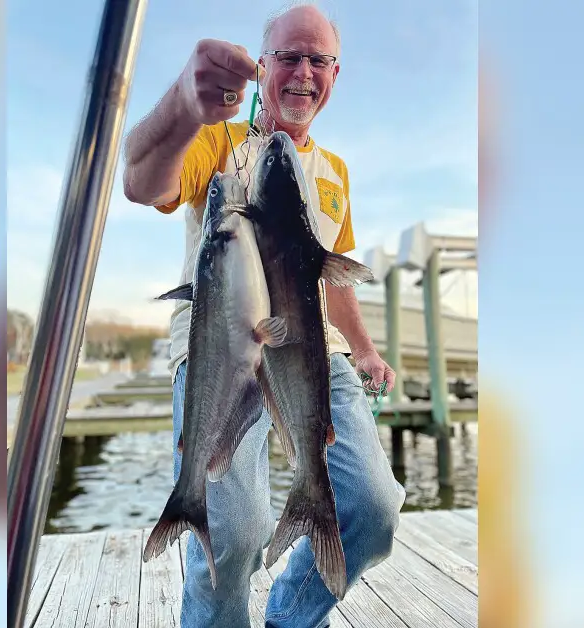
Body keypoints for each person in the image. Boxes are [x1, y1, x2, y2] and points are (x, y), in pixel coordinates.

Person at [122, 3, 404, 627]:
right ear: (263, 65)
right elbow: (141, 182)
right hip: (222, 345)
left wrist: (364, 348)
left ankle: (290, 618)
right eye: (288, 57)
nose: (303, 72)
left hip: (312, 348)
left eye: (318, 59)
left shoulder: (335, 173)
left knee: (374, 504)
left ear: (335, 73)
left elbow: (334, 273)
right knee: (234, 530)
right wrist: (183, 106)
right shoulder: (217, 140)